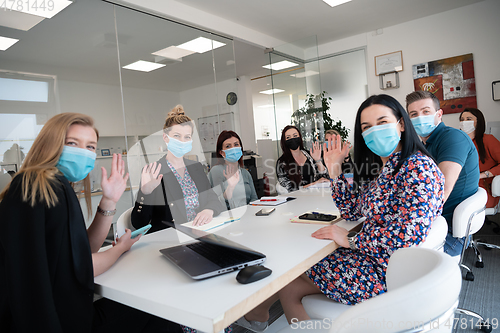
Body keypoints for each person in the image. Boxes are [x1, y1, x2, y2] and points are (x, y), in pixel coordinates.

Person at [237, 95, 445, 329]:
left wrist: (349, 239)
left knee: (292, 267)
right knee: (291, 282)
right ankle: (258, 313)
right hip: (378, 261)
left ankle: (256, 312)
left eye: (382, 122)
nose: (375, 131)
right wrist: (335, 171)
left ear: (401, 124)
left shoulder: (417, 167)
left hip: (384, 274)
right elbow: (352, 211)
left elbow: (406, 236)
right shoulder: (391, 168)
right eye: (366, 127)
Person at [0, 113, 182, 333]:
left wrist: (109, 201)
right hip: (58, 322)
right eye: (72, 143)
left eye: (90, 147)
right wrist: (120, 249)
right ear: (50, 144)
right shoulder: (48, 187)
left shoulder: (40, 183)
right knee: (159, 307)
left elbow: (82, 249)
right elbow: (82, 267)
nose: (82, 152)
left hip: (52, 315)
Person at [406, 91, 479, 256]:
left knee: (390, 256)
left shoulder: (453, 138)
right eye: (413, 114)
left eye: (426, 111)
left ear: (439, 114)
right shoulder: (423, 146)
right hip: (434, 221)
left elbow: (440, 192)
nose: (420, 117)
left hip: (450, 231)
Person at [131, 105, 224, 233]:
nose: (182, 141)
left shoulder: (196, 167)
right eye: (176, 136)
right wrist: (145, 193)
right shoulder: (153, 171)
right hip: (172, 239)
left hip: (201, 232)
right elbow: (138, 223)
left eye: (187, 137)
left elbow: (213, 198)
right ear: (165, 137)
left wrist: (209, 210)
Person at [459, 108, 500, 208]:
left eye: (469, 119)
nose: (464, 122)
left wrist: (483, 175)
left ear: (478, 122)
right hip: (462, 188)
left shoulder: (488, 140)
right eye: (462, 119)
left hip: (483, 189)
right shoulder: (458, 143)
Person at [208, 130, 258, 209]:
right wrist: (230, 188)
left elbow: (254, 199)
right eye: (228, 146)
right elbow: (215, 203)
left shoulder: (245, 173)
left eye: (236, 144)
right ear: (222, 152)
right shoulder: (216, 171)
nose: (233, 148)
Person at [276, 125, 329, 193]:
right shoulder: (281, 162)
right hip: (297, 199)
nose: (292, 139)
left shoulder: (310, 155)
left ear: (300, 138)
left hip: (317, 194)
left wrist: (318, 161)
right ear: (284, 141)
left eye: (295, 136)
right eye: (288, 137)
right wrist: (313, 184)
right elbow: (289, 189)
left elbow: (325, 178)